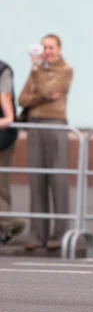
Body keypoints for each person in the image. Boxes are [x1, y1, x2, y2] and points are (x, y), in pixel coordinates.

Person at [18, 34, 73, 251]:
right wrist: (43, 93)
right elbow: (23, 99)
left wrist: (39, 82)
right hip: (35, 126)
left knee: (58, 181)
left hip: (55, 125)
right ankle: (37, 234)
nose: (47, 51)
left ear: (59, 49)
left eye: (50, 47)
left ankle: (60, 235)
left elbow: (49, 91)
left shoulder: (65, 70)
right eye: (44, 47)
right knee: (37, 181)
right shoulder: (38, 71)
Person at [0, 60, 25, 245]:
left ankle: (8, 224)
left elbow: (5, 95)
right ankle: (9, 223)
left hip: (2, 137)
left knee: (1, 184)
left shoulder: (3, 69)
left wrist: (8, 117)